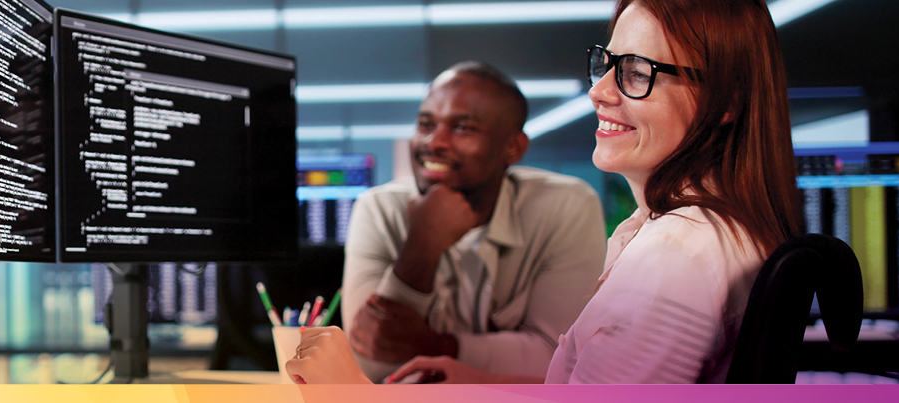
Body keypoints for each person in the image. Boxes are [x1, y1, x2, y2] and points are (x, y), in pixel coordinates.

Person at [287, 0, 800, 384]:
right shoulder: (709, 232)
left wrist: (348, 395)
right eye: (609, 62)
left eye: (638, 72)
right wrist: (484, 383)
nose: (600, 90)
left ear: (727, 100)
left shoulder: (675, 260)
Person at [338, 61, 607, 383]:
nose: (434, 142)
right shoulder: (379, 208)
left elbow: (559, 358)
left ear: (513, 148)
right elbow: (370, 362)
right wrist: (423, 244)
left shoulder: (566, 207)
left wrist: (434, 345)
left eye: (462, 128)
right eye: (426, 124)